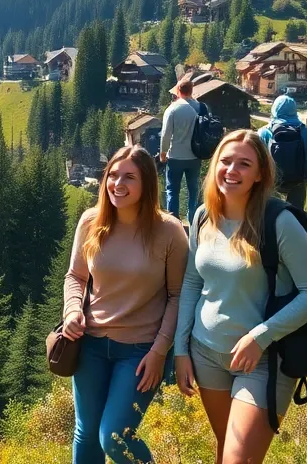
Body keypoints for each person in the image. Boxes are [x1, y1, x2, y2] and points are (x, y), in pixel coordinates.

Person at [174, 130, 307, 463]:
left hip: (264, 361)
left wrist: (261, 336)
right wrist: (181, 350)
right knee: (224, 450)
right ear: (214, 167)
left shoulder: (279, 222)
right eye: (225, 162)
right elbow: (191, 283)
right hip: (206, 353)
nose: (232, 170)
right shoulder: (202, 216)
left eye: (244, 164)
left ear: (260, 174)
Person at [62, 145, 189, 464]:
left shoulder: (169, 231)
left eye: (129, 177)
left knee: (114, 437)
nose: (118, 184)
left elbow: (178, 296)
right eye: (113, 175)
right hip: (89, 345)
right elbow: (75, 276)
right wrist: (73, 310)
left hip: (139, 352)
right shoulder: (92, 221)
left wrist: (160, 352)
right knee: (86, 432)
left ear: (147, 183)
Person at [256, 95, 307, 209]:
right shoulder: (305, 132)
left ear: (275, 109)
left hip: (272, 180)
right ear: (294, 110)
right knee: (296, 212)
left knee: (270, 211)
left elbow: (257, 159)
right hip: (299, 179)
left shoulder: (264, 132)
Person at [159, 78, 202, 220]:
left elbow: (165, 135)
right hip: (195, 156)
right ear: (191, 91)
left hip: (175, 156)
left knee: (172, 191)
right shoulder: (200, 107)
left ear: (178, 91)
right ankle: (193, 221)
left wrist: (163, 154)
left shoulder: (172, 109)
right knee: (193, 192)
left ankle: (174, 222)